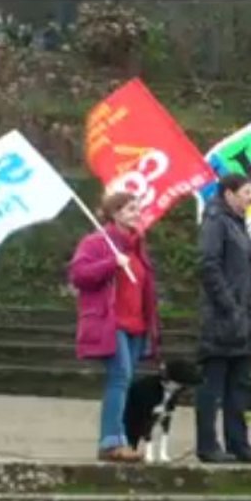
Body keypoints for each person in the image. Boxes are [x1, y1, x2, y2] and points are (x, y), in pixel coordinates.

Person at [68, 191, 160, 463]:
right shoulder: (96, 242)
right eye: (130, 209)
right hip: (111, 322)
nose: (136, 214)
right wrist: (111, 263)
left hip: (136, 324)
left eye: (137, 208)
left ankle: (120, 439)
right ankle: (111, 442)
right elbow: (79, 275)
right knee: (119, 376)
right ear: (115, 213)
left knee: (125, 379)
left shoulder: (137, 245)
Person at [196, 173, 251, 464]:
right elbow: (209, 265)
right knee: (213, 384)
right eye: (246, 192)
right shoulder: (216, 221)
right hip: (221, 317)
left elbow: (246, 267)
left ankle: (239, 443)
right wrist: (229, 305)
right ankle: (207, 444)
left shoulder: (239, 224)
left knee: (239, 385)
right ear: (228, 194)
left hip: (243, 317)